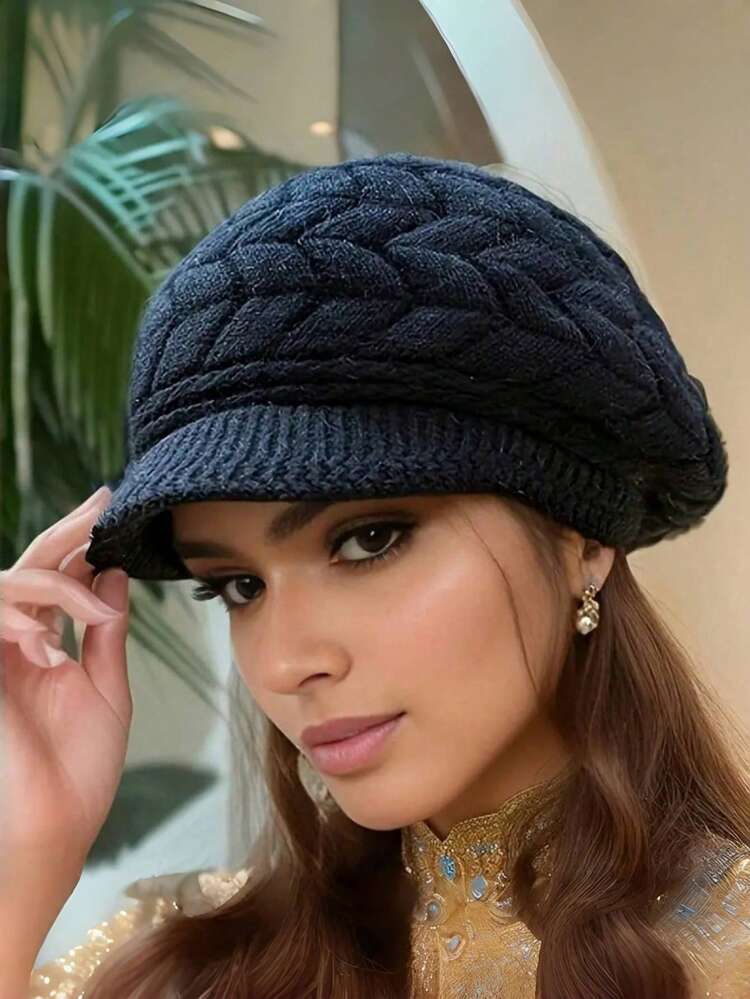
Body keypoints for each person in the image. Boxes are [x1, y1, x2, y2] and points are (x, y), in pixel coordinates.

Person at [3, 152, 749, 999]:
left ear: (581, 536)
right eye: (240, 585)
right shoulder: (185, 969)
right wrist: (29, 854)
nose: (286, 662)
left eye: (368, 540)